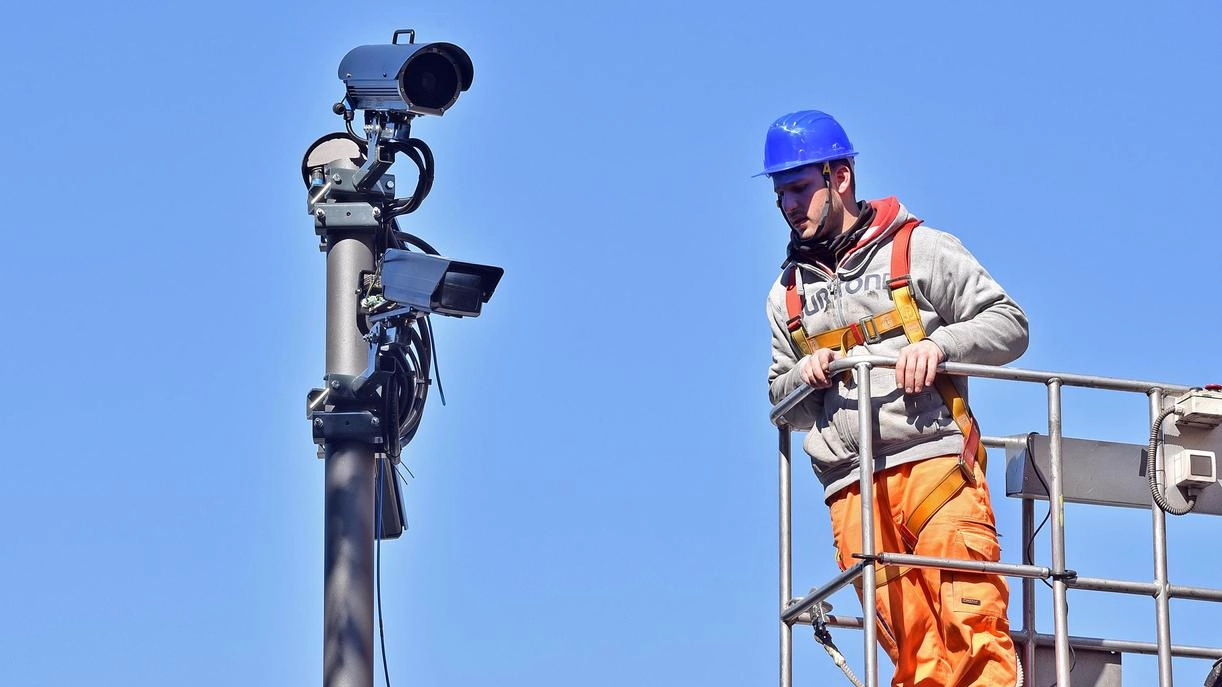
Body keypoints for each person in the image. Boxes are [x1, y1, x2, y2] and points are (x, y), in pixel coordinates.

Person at [762, 110, 1028, 687]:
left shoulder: (919, 249)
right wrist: (803, 379)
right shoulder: (786, 296)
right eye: (781, 193)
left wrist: (941, 345)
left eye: (800, 188)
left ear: (841, 178)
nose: (789, 205)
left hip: (933, 464)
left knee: (972, 630)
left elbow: (1010, 324)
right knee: (913, 656)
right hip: (852, 491)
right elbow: (780, 403)